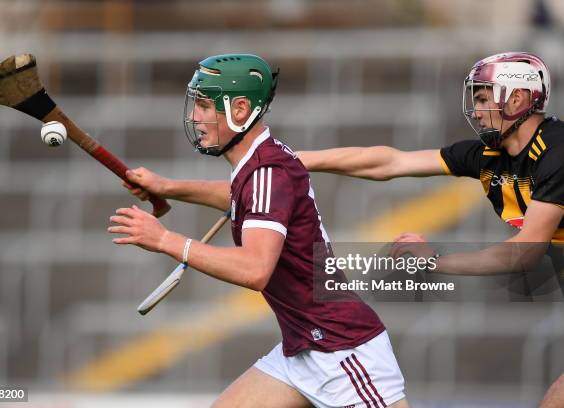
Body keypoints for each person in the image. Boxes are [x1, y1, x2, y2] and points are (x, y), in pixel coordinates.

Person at [108, 54, 410, 408]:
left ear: (239, 109)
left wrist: (165, 240)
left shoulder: (268, 172)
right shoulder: (259, 165)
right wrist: (167, 186)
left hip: (342, 351)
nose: (194, 116)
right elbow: (240, 197)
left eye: (205, 106)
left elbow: (254, 269)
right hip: (302, 348)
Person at [297, 52, 564, 286]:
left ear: (517, 98)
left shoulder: (557, 150)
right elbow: (392, 162)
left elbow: (526, 251)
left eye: (483, 99)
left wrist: (435, 261)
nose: (477, 111)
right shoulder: (488, 155)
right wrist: (292, 159)